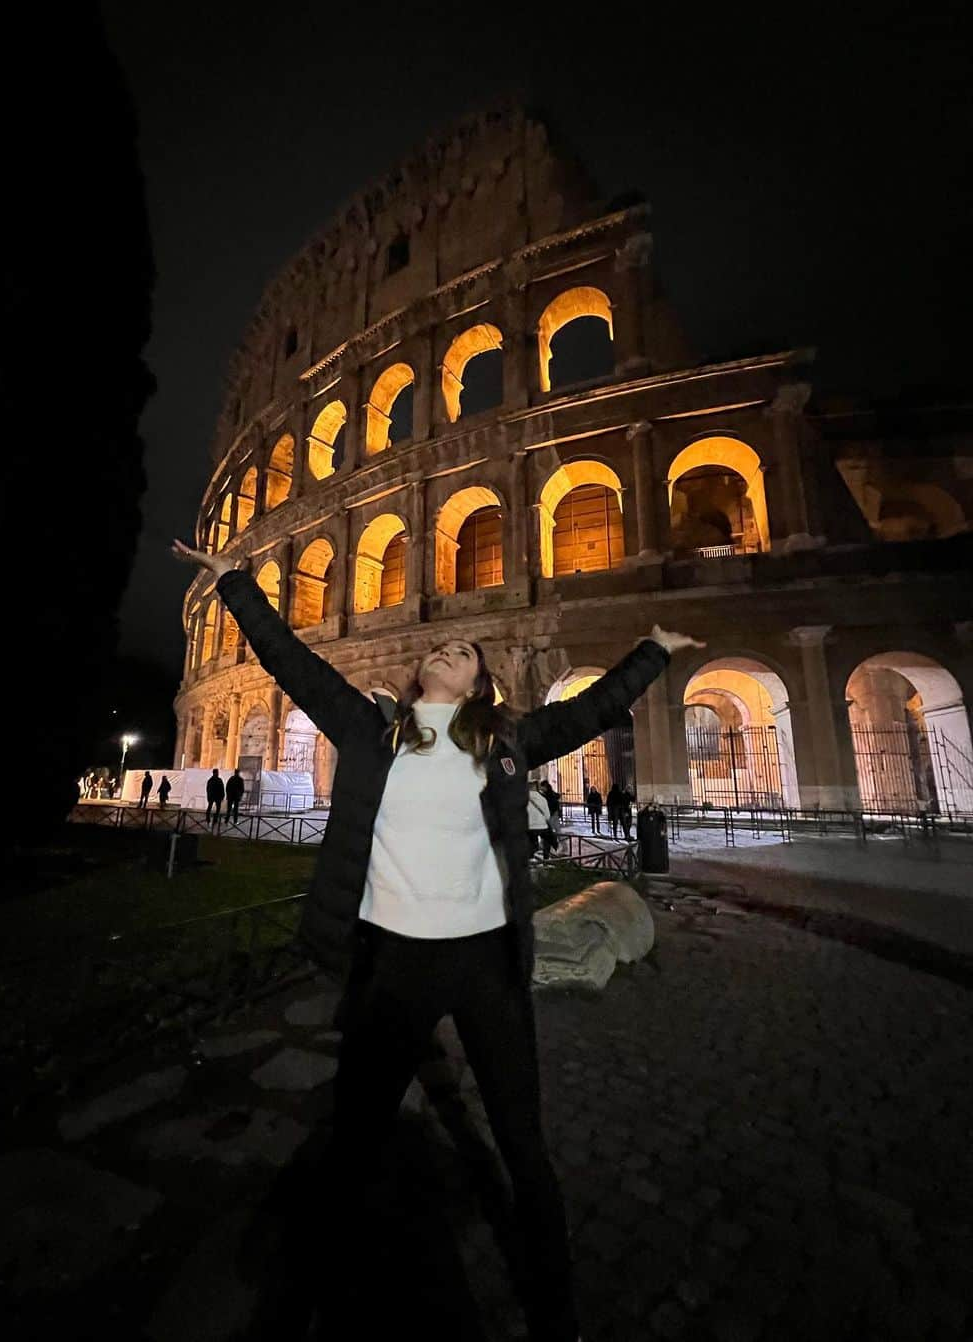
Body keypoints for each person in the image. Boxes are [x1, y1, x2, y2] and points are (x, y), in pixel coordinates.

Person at [172, 535, 704, 1342]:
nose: (450, 646)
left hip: (485, 961)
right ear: (426, 675)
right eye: (443, 646)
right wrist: (237, 585)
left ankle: (556, 1314)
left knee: (524, 1144)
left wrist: (654, 651)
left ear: (480, 685)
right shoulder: (368, 730)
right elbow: (290, 662)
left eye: (466, 650)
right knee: (353, 1142)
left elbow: (591, 710)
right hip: (392, 962)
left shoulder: (504, 743)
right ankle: (304, 1300)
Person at [527, 781, 553, 861]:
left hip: (530, 826)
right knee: (547, 838)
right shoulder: (543, 799)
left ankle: (531, 857)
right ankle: (546, 857)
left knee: (531, 839)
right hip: (542, 826)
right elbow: (548, 815)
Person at [539, 779, 562, 854]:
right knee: (555, 831)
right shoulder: (551, 793)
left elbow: (551, 804)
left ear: (545, 787)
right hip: (554, 814)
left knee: (548, 831)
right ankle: (559, 846)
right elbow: (557, 797)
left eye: (542, 787)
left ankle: (554, 846)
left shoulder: (548, 795)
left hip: (551, 815)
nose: (541, 789)